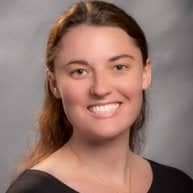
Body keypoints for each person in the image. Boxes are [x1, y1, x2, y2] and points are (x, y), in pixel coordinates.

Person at [5, 1, 193, 193]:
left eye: (119, 67)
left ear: (145, 74)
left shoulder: (179, 184)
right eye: (79, 71)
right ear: (54, 84)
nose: (100, 89)